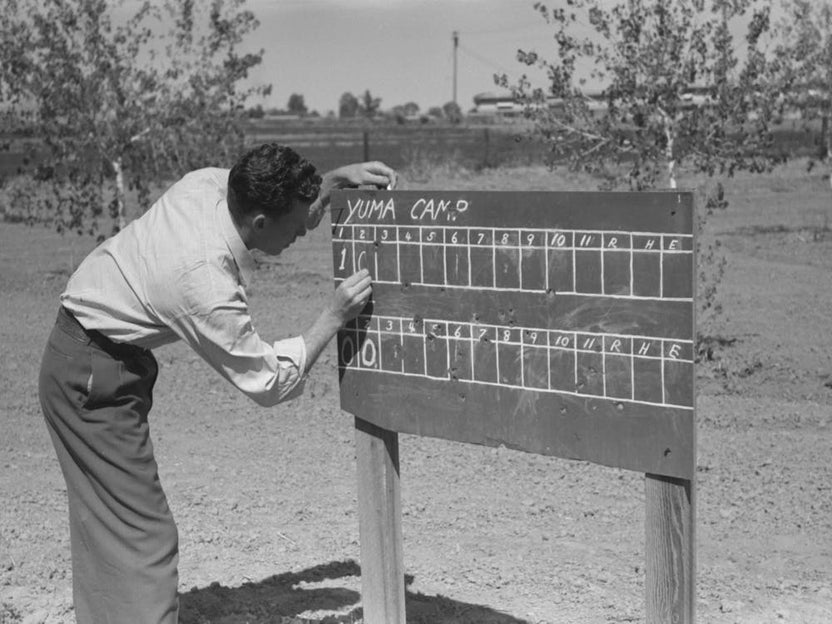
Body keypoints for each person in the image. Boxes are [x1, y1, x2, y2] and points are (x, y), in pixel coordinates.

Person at [37, 143, 397, 623]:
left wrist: (330, 182)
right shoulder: (202, 282)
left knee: (108, 522)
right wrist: (331, 318)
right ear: (262, 224)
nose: (301, 234)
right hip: (90, 379)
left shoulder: (209, 184)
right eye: (295, 226)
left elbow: (279, 204)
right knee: (144, 534)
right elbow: (267, 381)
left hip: (85, 358)